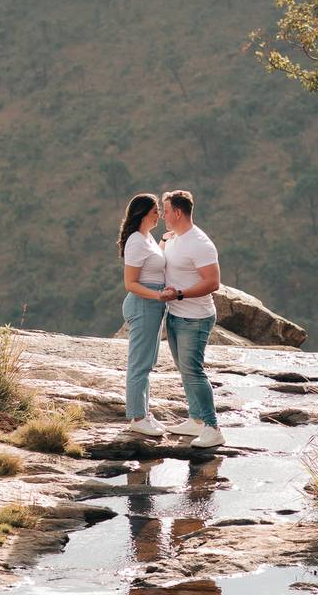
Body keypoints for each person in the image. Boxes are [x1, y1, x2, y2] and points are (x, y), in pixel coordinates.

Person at [159, 189, 225, 448]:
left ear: (177, 212)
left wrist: (180, 294)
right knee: (184, 370)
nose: (163, 216)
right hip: (176, 315)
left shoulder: (200, 243)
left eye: (165, 211)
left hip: (195, 317)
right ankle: (196, 419)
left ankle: (212, 427)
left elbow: (213, 282)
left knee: (194, 372)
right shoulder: (175, 238)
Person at [118, 193, 175, 437]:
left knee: (147, 362)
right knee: (139, 364)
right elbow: (130, 283)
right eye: (155, 211)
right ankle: (136, 417)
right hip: (143, 303)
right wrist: (158, 296)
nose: (159, 216)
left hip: (152, 304)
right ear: (143, 214)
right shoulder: (135, 241)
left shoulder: (148, 238)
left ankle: (144, 412)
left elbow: (154, 263)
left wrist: (164, 240)